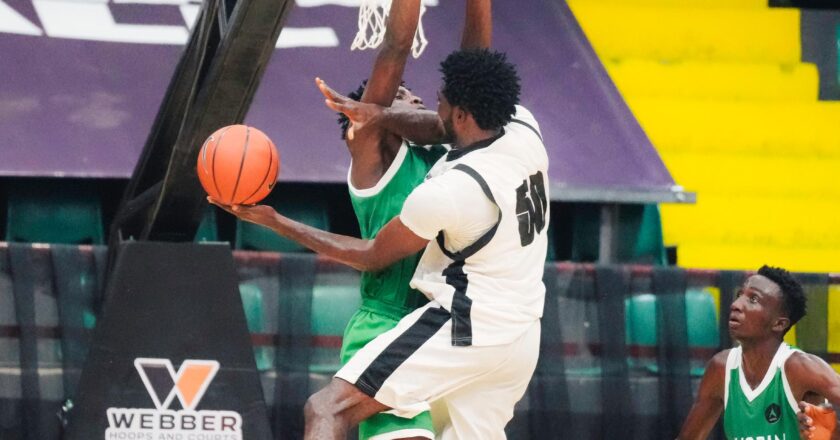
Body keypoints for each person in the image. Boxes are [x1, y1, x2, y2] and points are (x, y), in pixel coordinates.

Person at [211, 47, 548, 439]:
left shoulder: (449, 182)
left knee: (327, 408)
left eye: (433, 101)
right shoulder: (522, 127)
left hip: (458, 328)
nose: (423, 103)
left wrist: (275, 221)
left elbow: (373, 253)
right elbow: (397, 57)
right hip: (500, 334)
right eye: (406, 98)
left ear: (461, 114)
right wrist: (378, 113)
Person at [311, 1, 490, 439]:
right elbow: (394, 49)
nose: (418, 100)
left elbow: (475, 72)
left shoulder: (448, 155)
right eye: (403, 96)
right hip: (387, 323)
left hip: (447, 326)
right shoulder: (375, 156)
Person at [676, 265, 840, 440]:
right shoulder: (721, 369)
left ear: (779, 324)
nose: (736, 305)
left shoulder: (800, 368)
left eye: (753, 299)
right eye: (740, 295)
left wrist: (833, 434)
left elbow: (828, 432)